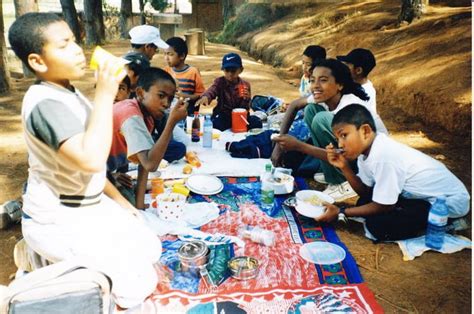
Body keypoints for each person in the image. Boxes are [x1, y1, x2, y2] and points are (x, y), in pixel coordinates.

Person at [8, 12, 161, 308]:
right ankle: (38, 260)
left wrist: (123, 204)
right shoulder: (45, 104)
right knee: (134, 290)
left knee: (150, 247)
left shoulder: (67, 91)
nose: (78, 50)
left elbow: (96, 172)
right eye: (64, 45)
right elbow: (92, 160)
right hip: (57, 217)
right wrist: (105, 94)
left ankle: (61, 256)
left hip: (86, 205)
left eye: (76, 41)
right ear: (37, 61)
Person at [320, 104, 470, 241]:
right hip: (419, 198)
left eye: (344, 135)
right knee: (364, 203)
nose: (340, 144)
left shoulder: (384, 156)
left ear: (365, 131)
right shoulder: (366, 153)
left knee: (379, 226)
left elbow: (384, 206)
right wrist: (344, 167)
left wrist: (342, 211)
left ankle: (450, 223)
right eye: (337, 138)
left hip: (448, 202)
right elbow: (365, 192)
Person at [272, 59, 387, 202]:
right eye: (313, 80)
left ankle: (344, 181)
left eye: (323, 80)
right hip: (352, 152)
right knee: (311, 109)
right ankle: (331, 173)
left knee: (321, 119)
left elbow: (347, 153)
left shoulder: (350, 106)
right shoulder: (328, 96)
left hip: (368, 162)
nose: (315, 86)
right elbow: (294, 105)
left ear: (340, 84)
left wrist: (298, 146)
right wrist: (278, 146)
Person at [107, 67, 188, 209]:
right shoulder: (131, 116)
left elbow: (144, 164)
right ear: (140, 93)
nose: (166, 104)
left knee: (133, 203)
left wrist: (139, 205)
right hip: (84, 174)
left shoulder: (147, 117)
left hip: (104, 170)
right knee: (125, 212)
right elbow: (151, 165)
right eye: (161, 96)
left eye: (170, 99)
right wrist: (171, 122)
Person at [195, 52, 262, 131]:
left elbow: (246, 108)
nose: (230, 74)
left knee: (256, 122)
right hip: (224, 115)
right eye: (227, 70)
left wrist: (246, 99)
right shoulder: (220, 82)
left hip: (240, 116)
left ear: (240, 70)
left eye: (233, 71)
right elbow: (212, 90)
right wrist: (206, 97)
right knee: (216, 123)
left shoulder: (245, 85)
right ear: (223, 70)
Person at [164, 36, 206, 115]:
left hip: (188, 114)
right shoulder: (166, 71)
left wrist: (185, 96)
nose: (166, 58)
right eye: (165, 54)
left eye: (170, 54)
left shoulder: (193, 72)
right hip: (169, 114)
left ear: (182, 56)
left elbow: (200, 94)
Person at [337, 48, 378, 113]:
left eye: (347, 64)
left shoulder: (365, 92)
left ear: (358, 70)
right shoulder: (354, 85)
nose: (344, 67)